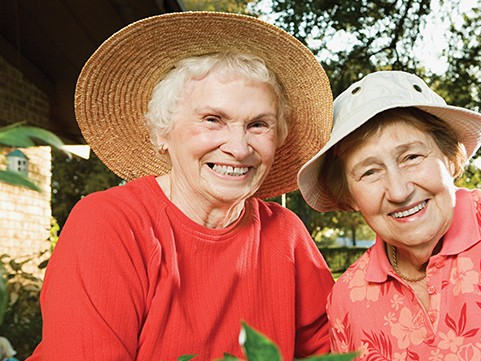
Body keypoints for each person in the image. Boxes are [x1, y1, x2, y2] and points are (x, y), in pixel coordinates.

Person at [28, 12, 335, 361]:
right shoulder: (107, 224)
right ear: (163, 133)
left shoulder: (286, 234)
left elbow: (332, 346)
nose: (238, 146)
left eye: (258, 124)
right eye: (212, 119)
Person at [297, 71, 481, 360]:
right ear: (349, 195)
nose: (398, 191)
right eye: (370, 172)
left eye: (411, 157)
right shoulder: (347, 300)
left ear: (449, 158)